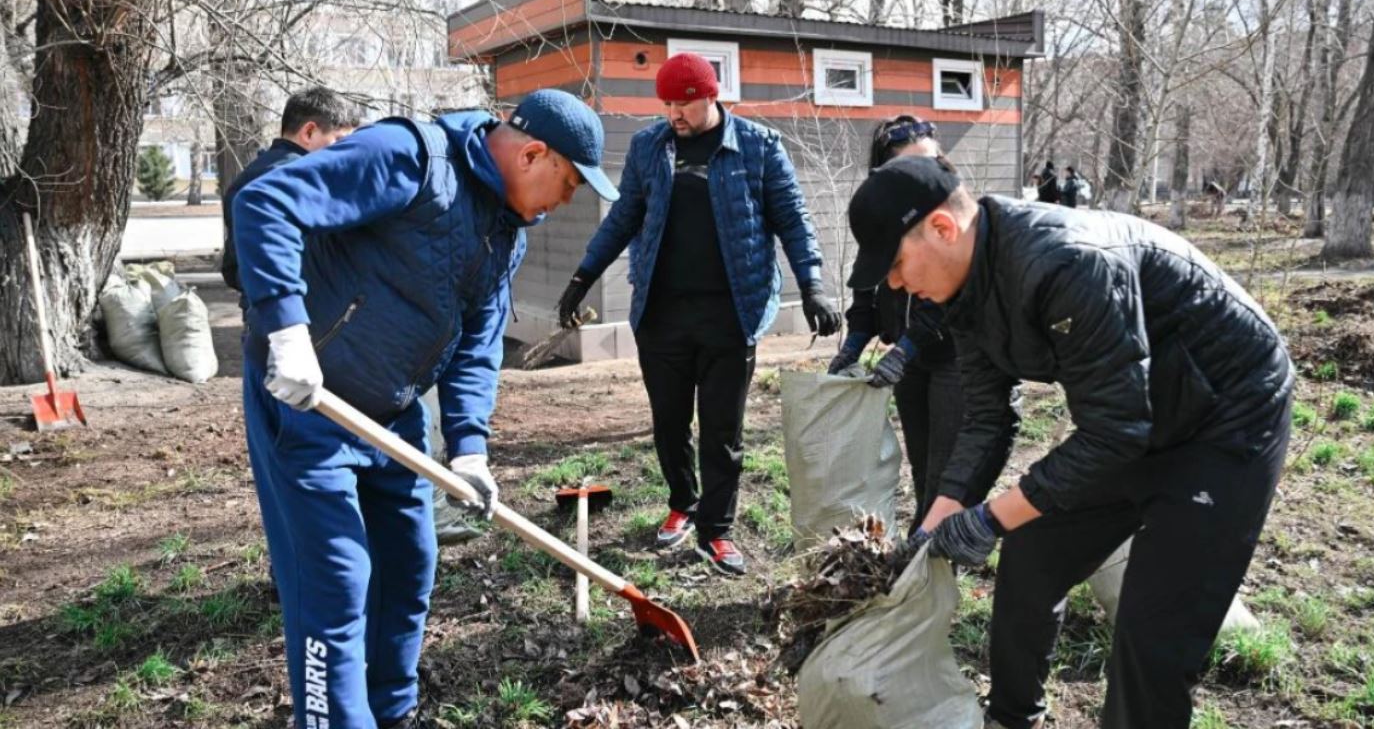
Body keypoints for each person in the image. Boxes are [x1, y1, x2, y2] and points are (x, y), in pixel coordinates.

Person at [848, 156, 1293, 729]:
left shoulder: (1066, 261)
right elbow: (987, 416)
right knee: (1033, 553)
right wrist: (935, 525)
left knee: (1152, 634)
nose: (893, 284)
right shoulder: (963, 291)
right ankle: (1012, 718)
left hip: (1226, 417)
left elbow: (1113, 431)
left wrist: (990, 519)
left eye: (895, 263)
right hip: (1136, 416)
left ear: (942, 228)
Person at [233, 89, 616, 729]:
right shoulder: (410, 156)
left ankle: (392, 711)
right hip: (309, 404)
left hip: (395, 413)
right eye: (570, 183)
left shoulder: (505, 233)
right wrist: (285, 329)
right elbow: (265, 202)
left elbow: (477, 346)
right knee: (337, 581)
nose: (566, 202)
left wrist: (469, 448)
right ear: (532, 154)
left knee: (409, 564)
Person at [556, 53, 840, 576]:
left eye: (682, 104)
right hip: (661, 314)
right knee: (669, 423)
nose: (673, 115)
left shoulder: (758, 146)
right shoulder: (649, 146)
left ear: (711, 96)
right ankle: (682, 503)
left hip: (731, 314)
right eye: (666, 104)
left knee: (722, 431)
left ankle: (717, 530)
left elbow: (793, 219)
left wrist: (813, 285)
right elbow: (624, 217)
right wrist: (581, 277)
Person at [827, 115, 970, 530]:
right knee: (922, 462)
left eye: (930, 162)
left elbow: (946, 301)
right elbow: (867, 284)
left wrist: (907, 348)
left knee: (946, 467)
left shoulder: (950, 221)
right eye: (910, 165)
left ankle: (938, 547)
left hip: (953, 356)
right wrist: (854, 343)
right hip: (908, 359)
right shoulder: (883, 212)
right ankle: (927, 539)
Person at [221, 86, 362, 305]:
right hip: (294, 307)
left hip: (265, 304)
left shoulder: (259, 171)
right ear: (308, 132)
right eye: (340, 141)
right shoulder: (298, 179)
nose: (345, 153)